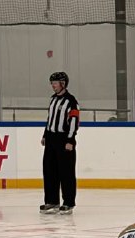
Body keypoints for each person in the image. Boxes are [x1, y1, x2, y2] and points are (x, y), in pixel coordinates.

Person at [40, 72, 80, 215]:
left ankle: (68, 202)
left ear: (63, 83)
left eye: (55, 83)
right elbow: (50, 119)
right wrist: (45, 135)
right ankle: (52, 201)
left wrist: (70, 140)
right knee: (49, 170)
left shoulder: (71, 101)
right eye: (52, 83)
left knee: (66, 172)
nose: (53, 86)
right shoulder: (53, 99)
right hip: (51, 139)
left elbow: (74, 121)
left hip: (64, 140)